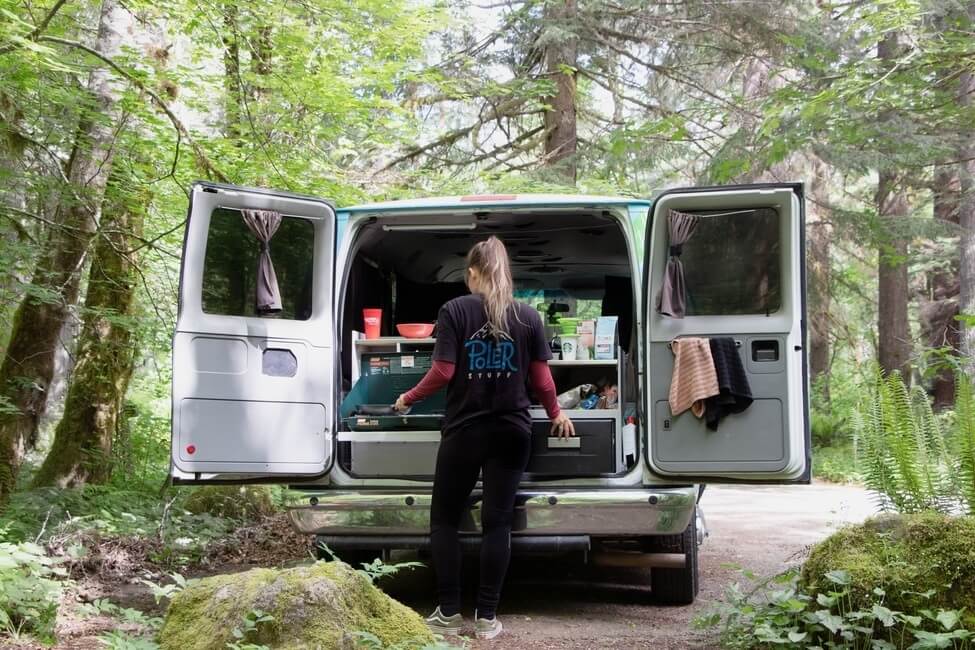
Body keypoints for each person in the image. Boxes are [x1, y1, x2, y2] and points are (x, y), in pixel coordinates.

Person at [393, 236, 574, 640]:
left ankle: (449, 611)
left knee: (443, 519)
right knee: (497, 524)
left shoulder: (455, 310)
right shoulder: (528, 316)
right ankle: (488, 618)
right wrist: (557, 413)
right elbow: (542, 380)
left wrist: (406, 398)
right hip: (512, 431)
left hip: (465, 430)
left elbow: (442, 373)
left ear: (472, 273)